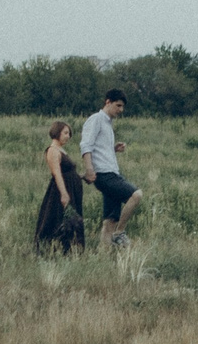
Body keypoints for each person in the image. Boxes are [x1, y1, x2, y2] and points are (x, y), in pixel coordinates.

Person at [80, 89, 141, 248]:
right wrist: (89, 169)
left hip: (110, 171)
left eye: (122, 107)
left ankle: (103, 258)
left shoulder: (108, 123)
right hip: (104, 174)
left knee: (110, 220)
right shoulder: (96, 119)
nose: (121, 110)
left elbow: (98, 148)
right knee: (136, 195)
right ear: (108, 102)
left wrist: (113, 149)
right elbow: (86, 145)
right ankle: (120, 233)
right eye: (118, 105)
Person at [33, 119, 85, 254]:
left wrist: (82, 177)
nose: (68, 136)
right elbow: (57, 173)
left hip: (71, 189)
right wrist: (64, 193)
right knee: (57, 219)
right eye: (66, 133)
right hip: (61, 191)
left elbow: (69, 172)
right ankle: (51, 249)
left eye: (69, 133)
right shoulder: (52, 151)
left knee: (71, 219)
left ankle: (70, 249)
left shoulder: (61, 150)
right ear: (57, 133)